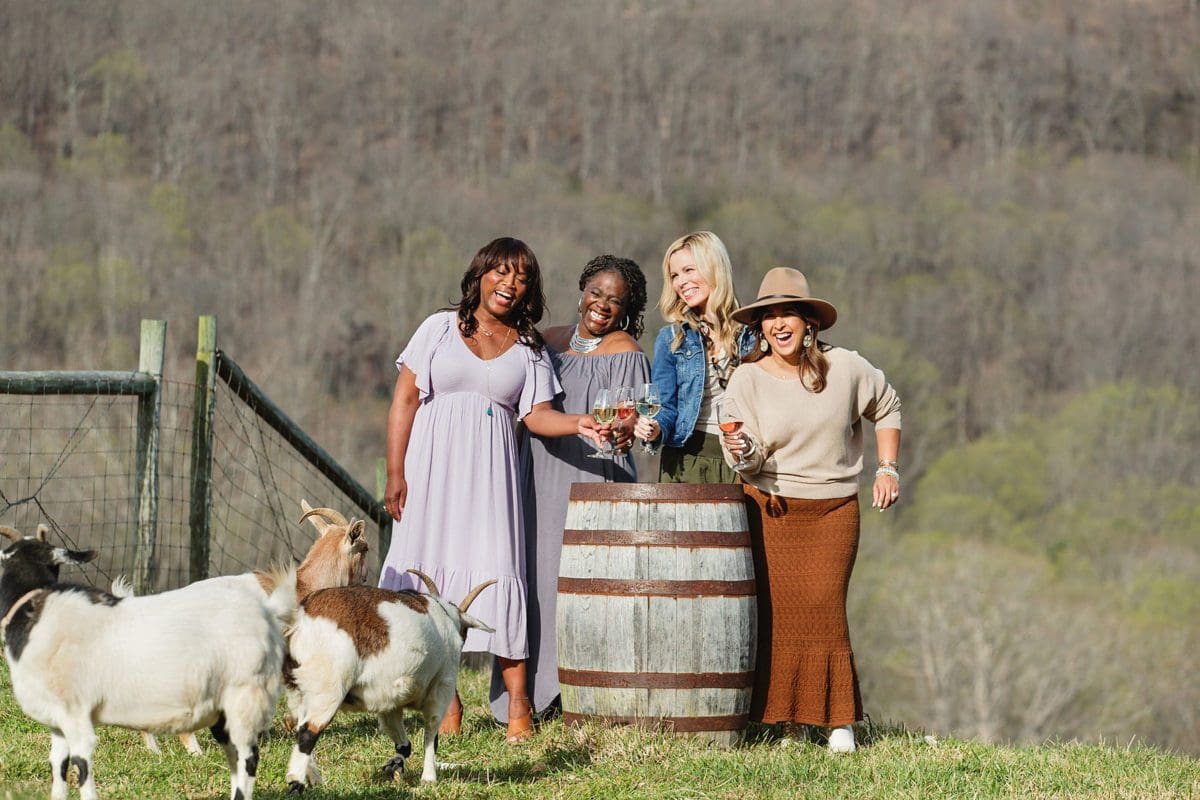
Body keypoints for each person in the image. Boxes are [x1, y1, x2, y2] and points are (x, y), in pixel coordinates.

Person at [380, 237, 602, 745]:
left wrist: (580, 423)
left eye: (522, 277)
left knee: (500, 572)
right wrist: (396, 473)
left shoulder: (528, 348)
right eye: (502, 272)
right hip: (431, 472)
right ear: (480, 274)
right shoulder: (438, 328)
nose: (510, 283)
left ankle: (518, 701)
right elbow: (405, 400)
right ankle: (445, 696)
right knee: (427, 573)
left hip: (492, 477)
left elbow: (537, 415)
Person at [719, 267, 902, 754]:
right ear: (759, 327)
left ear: (808, 323)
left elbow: (888, 405)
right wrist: (740, 449)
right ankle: (789, 723)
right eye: (769, 316)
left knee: (823, 609)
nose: (779, 324)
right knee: (779, 615)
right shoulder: (746, 379)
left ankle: (838, 719)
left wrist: (888, 469)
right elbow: (747, 455)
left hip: (832, 510)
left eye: (789, 315)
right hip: (768, 508)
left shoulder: (847, 367)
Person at [489, 254, 651, 725]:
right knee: (530, 579)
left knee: (579, 582)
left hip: (590, 478)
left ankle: (577, 696)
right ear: (582, 289)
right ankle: (522, 695)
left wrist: (624, 429)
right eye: (596, 293)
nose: (602, 305)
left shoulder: (627, 352)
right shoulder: (547, 342)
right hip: (535, 474)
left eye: (614, 301)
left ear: (626, 309)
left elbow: (631, 417)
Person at [636, 231, 754, 482]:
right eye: (675, 275)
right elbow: (665, 407)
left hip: (743, 462)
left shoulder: (751, 336)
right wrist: (655, 428)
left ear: (714, 268)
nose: (681, 282)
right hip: (684, 462)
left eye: (689, 270)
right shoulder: (671, 338)